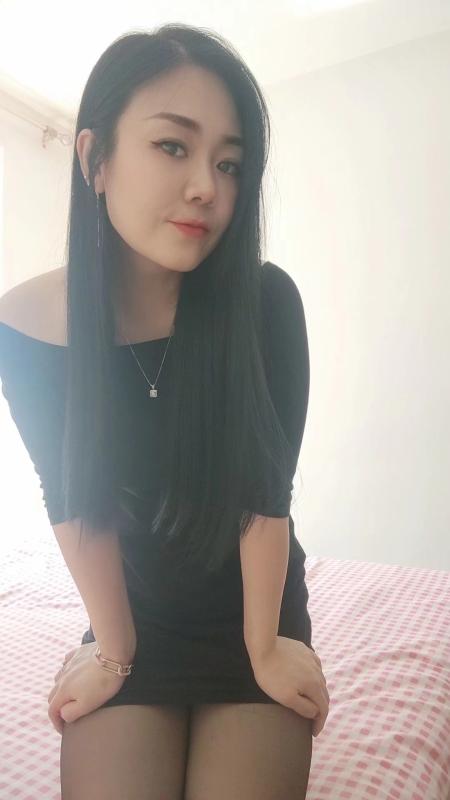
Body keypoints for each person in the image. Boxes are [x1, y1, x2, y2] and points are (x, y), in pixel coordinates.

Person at [0, 23, 329, 799]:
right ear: (95, 159)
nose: (206, 187)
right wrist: (114, 652)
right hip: (136, 615)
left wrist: (265, 648)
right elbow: (70, 494)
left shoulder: (265, 301)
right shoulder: (26, 324)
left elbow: (263, 494)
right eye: (173, 146)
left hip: (251, 613)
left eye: (229, 163)